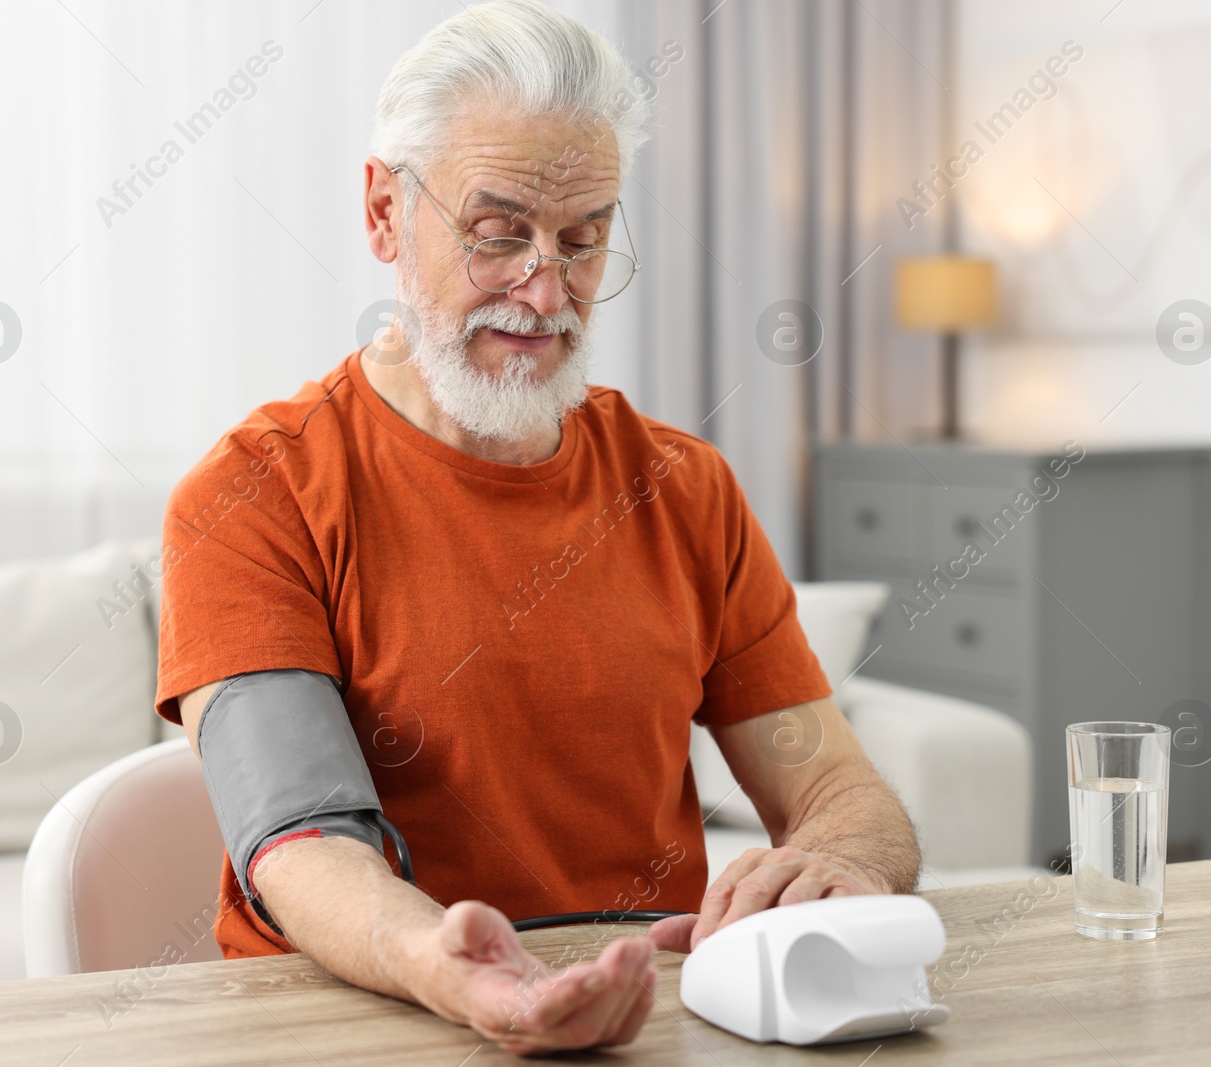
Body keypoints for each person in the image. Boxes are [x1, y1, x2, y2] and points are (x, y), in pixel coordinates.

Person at [153, 0, 919, 1055]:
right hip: (353, 1017)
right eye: (498, 232)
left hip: (642, 1015)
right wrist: (450, 967)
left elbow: (837, 785)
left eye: (584, 238)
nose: (545, 289)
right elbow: (299, 839)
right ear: (383, 212)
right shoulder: (251, 494)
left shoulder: (684, 487)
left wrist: (846, 855)